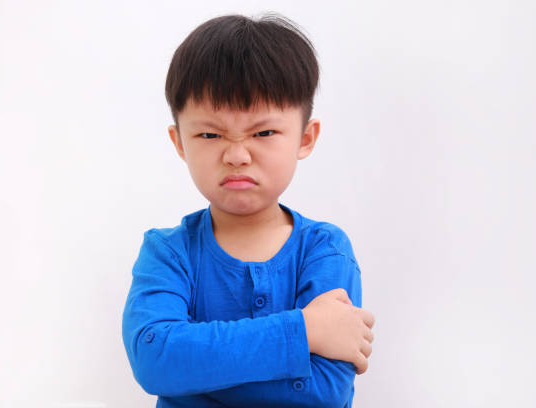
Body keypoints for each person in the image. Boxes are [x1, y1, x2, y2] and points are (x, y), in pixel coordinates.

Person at [122, 12, 376, 408]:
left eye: (263, 133)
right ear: (180, 142)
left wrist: (190, 373)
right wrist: (304, 331)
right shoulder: (167, 253)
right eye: (210, 134)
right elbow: (155, 361)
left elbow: (324, 392)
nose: (237, 155)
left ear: (305, 138)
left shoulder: (325, 249)